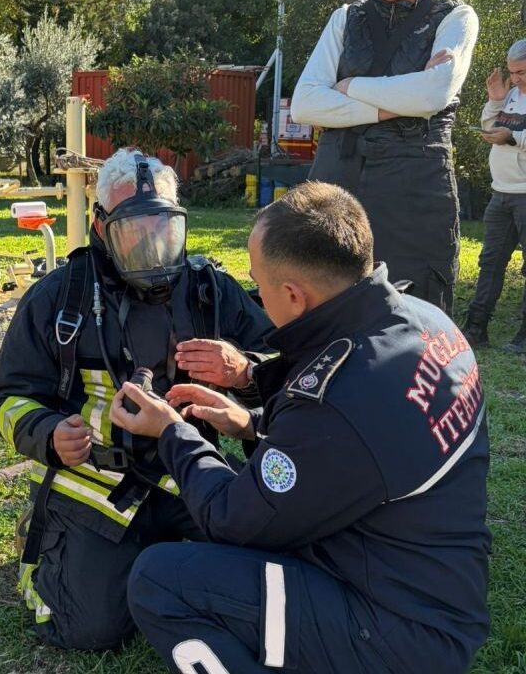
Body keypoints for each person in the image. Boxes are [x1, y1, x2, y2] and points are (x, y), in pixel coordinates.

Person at [114, 181, 490, 674]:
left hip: (396, 634)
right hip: (434, 586)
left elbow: (233, 518)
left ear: (292, 293)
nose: (256, 293)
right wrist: (249, 420)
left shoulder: (341, 401)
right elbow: (358, 447)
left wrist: (170, 432)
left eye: (258, 282)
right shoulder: (426, 321)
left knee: (160, 580)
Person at [0, 147, 271, 650]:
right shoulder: (58, 298)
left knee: (267, 565)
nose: (152, 243)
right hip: (97, 481)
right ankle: (49, 540)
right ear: (101, 228)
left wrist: (245, 370)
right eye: (132, 229)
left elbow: (285, 362)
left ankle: (160, 548)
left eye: (163, 227)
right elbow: (6, 400)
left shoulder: (213, 292)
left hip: (190, 470)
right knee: (88, 630)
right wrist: (49, 435)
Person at [291, 0, 479, 315]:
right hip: (334, 191)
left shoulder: (455, 18)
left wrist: (350, 83)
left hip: (414, 197)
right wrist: (395, 101)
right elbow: (305, 103)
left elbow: (433, 93)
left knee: (412, 326)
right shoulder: (345, 18)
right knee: (323, 320)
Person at [463, 39, 526, 353]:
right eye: (513, 72)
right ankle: (476, 328)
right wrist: (495, 99)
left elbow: (510, 135)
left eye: (522, 72)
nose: (516, 78)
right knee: (490, 261)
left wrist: (512, 137)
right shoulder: (512, 95)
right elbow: (491, 126)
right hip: (501, 193)